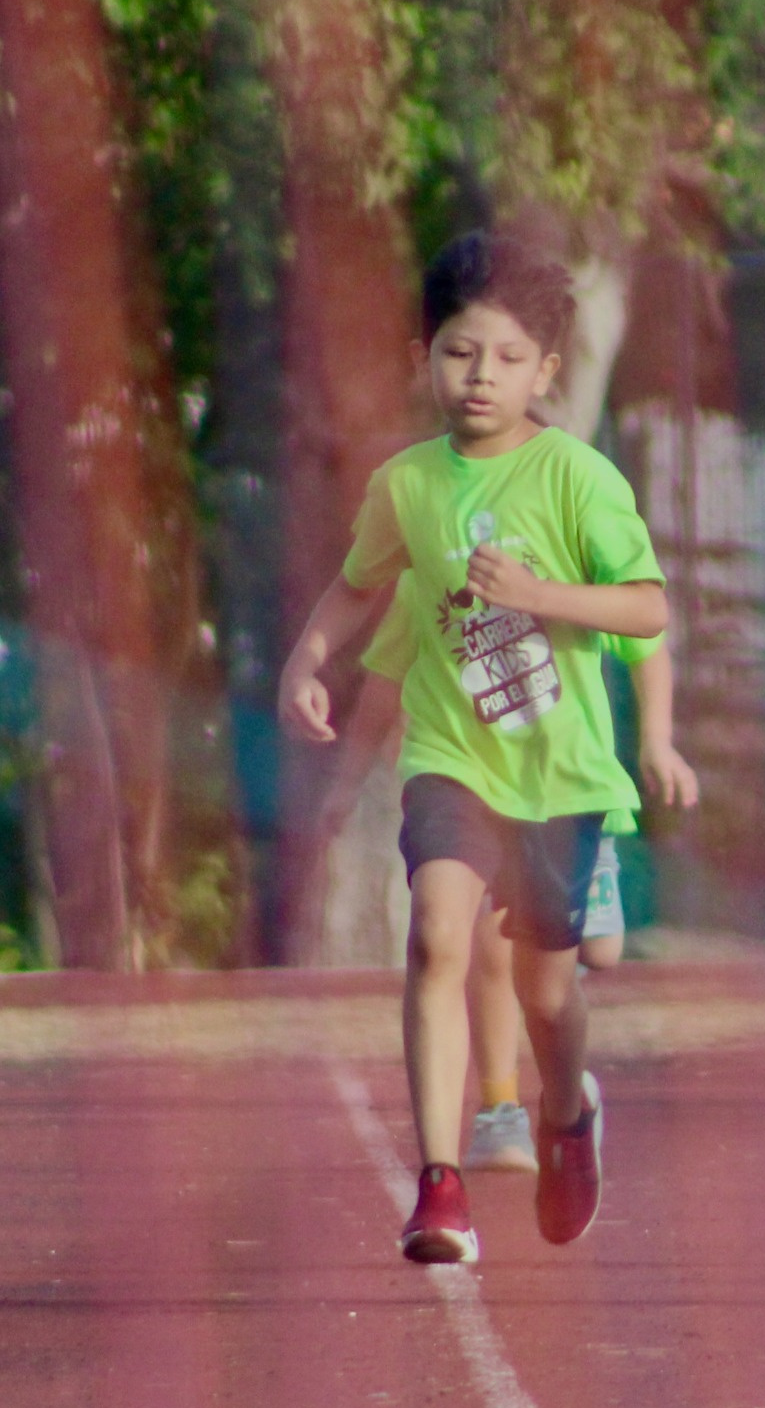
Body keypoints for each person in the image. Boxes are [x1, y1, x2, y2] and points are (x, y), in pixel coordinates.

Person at [278, 232, 668, 1265]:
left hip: (560, 773)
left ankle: (567, 1115)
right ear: (426, 358)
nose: (479, 376)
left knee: (549, 993)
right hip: (452, 759)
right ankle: (440, 1184)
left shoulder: (577, 477)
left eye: (505, 357)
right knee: (436, 940)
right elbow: (358, 585)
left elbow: (647, 607)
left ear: (546, 371)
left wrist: (541, 594)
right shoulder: (407, 484)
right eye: (458, 352)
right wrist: (306, 659)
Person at [315, 578, 699, 1172]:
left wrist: (657, 741)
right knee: (488, 943)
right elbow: (384, 681)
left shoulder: (565, 559)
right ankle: (501, 1112)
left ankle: (567, 1081)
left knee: (596, 954)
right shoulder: (431, 569)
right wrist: (348, 781)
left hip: (569, 793)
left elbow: (646, 642)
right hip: (475, 789)